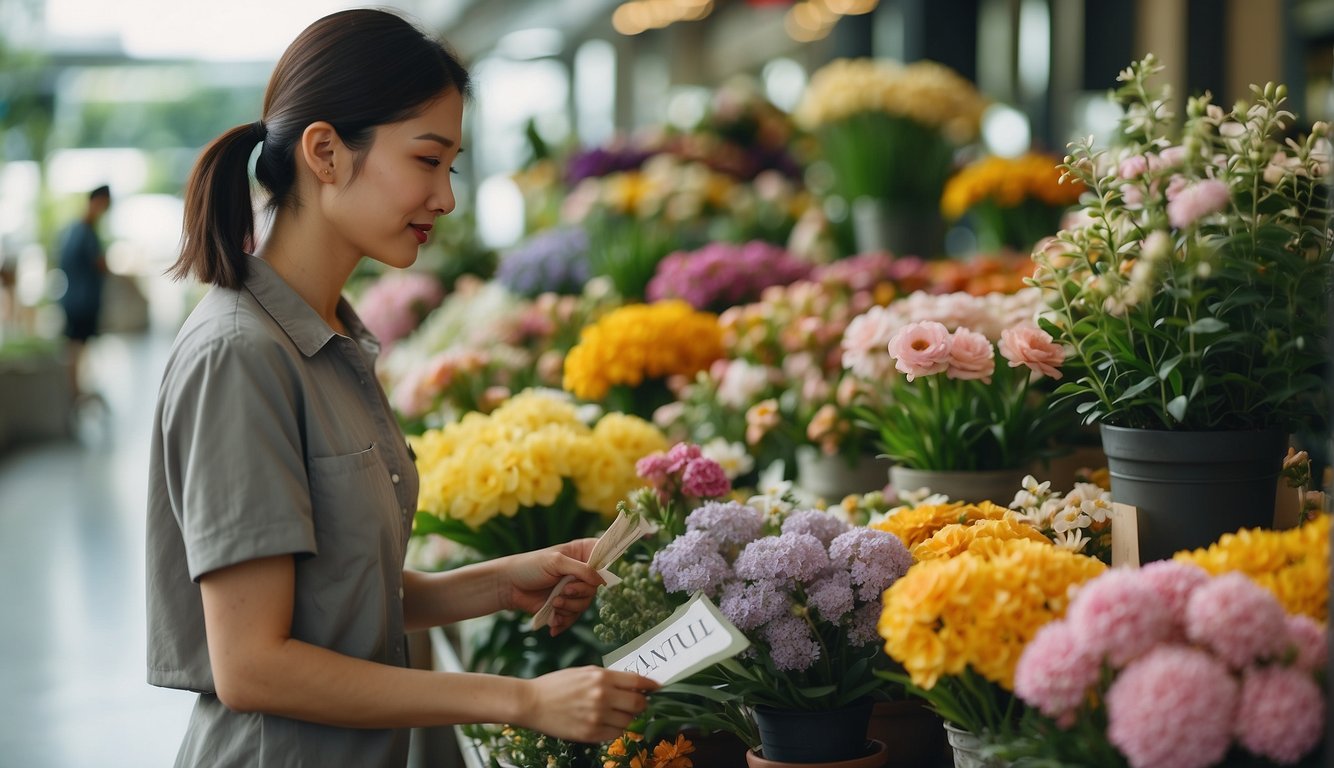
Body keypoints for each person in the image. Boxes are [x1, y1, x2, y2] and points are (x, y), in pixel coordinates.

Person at [146, 10, 655, 767]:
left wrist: (495, 583)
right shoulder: (241, 357)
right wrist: (523, 698)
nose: (445, 199)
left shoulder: (331, 339)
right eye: (427, 160)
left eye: (451, 166)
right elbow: (253, 664)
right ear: (325, 152)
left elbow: (338, 598)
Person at [57, 184, 110, 399]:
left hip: (74, 298)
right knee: (77, 349)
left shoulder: (72, 231)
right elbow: (99, 265)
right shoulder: (86, 233)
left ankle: (76, 390)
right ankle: (75, 392)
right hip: (83, 301)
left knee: (76, 348)